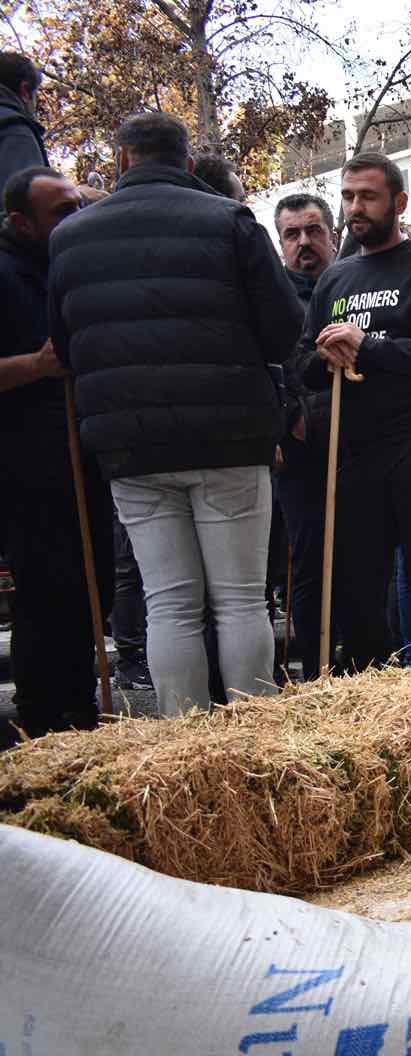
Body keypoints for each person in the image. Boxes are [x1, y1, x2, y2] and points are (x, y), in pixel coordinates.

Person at [49, 113, 301, 715]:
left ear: (119, 162)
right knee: (239, 599)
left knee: (169, 601)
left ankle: (181, 739)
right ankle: (252, 736)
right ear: (188, 164)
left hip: (129, 442)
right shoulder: (229, 220)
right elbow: (284, 326)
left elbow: (64, 344)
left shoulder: (71, 236)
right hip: (228, 435)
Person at [297, 150, 411, 669]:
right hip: (354, 445)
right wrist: (325, 356)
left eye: (368, 196)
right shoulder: (334, 280)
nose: (356, 207)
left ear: (398, 202)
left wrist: (369, 346)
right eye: (349, 196)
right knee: (358, 582)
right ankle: (370, 696)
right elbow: (304, 363)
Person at [1, 165, 113, 744]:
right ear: (20, 222)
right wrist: (38, 366)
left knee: (90, 579)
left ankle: (81, 703)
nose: (74, 218)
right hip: (26, 458)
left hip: (84, 446)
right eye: (59, 213)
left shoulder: (69, 262)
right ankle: (42, 713)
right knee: (46, 586)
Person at [272, 192, 338, 677]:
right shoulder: (271, 298)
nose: (304, 242)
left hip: (362, 441)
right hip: (301, 450)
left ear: (331, 233)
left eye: (313, 230)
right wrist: (287, 417)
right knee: (310, 563)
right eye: (292, 234)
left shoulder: (353, 283)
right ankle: (316, 669)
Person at [0, 53, 46, 187]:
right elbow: (31, 202)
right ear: (25, 91)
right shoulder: (14, 129)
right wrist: (81, 197)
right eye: (35, 96)